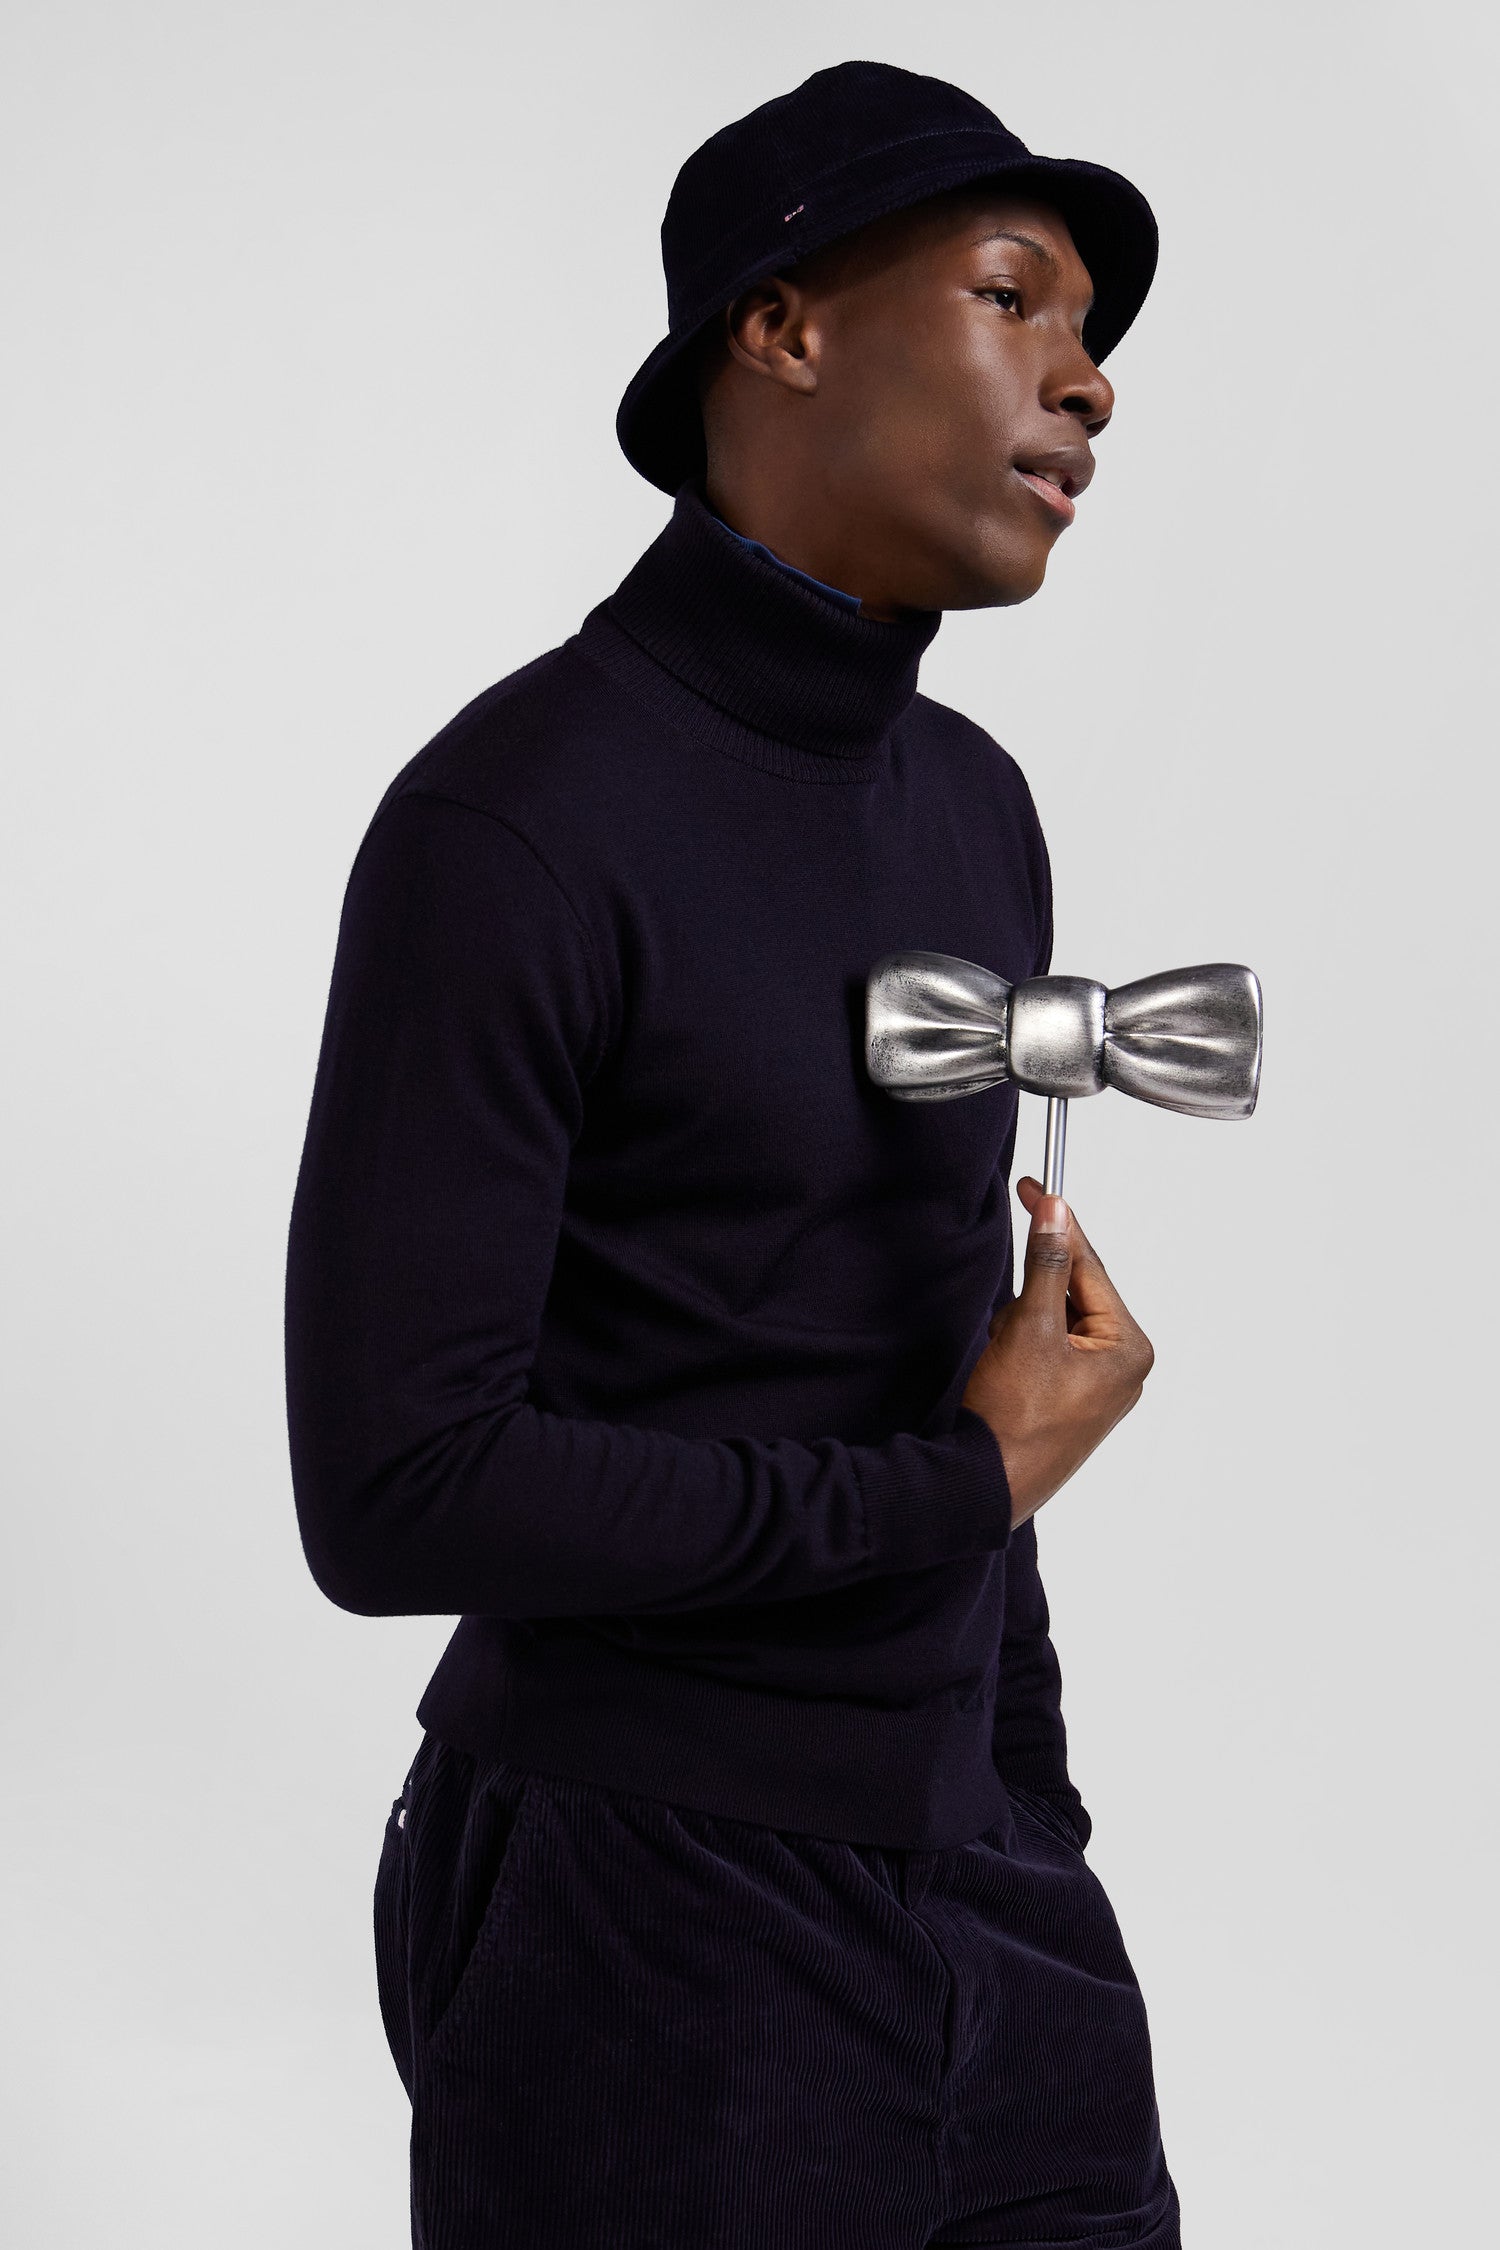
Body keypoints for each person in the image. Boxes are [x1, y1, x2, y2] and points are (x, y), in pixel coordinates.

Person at [284, 57, 1179, 2250]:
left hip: (989, 1886)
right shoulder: (514, 823)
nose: (1087, 383)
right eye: (1013, 299)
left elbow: (922, 1356)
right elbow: (396, 1491)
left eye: (1091, 335)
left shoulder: (974, 806)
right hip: (638, 1915)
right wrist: (958, 1483)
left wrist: (1029, 1803)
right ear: (778, 329)